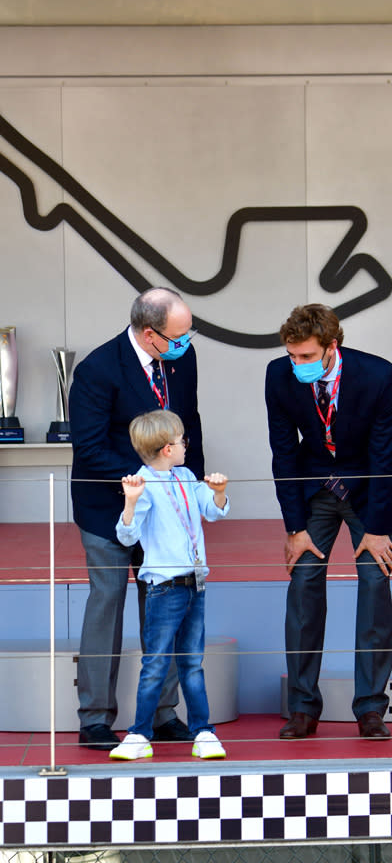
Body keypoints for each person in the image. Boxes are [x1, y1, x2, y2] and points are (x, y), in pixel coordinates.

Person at [69, 287, 204, 750]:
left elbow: (192, 427)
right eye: (178, 335)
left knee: (163, 610)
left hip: (167, 512)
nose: (186, 343)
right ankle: (95, 717)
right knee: (106, 604)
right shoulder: (97, 369)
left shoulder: (180, 360)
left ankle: (163, 713)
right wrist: (148, 481)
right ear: (150, 335)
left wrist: (192, 488)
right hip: (110, 509)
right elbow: (88, 449)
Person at [265, 303, 392, 740]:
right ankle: (302, 707)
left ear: (331, 347)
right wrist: (294, 528)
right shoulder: (277, 374)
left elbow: (385, 454)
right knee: (303, 584)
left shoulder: (378, 374)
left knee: (375, 585)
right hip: (314, 490)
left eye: (306, 356)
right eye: (292, 355)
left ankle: (371, 709)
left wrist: (378, 529)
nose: (297, 364)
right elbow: (283, 453)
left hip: (367, 493)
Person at [110, 410, 229, 761]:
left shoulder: (188, 476)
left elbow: (214, 510)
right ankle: (139, 734)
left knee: (192, 661)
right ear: (166, 449)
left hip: (196, 583)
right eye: (181, 442)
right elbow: (126, 534)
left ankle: (203, 732)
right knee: (156, 662)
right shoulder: (143, 484)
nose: (185, 447)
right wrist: (130, 502)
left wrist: (218, 493)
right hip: (164, 587)